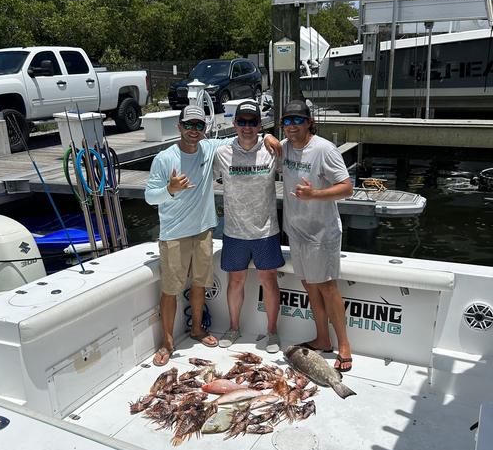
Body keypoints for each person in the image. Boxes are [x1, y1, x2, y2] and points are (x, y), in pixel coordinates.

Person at [145, 104, 280, 366]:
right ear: (180, 127)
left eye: (199, 126)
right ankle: (167, 342)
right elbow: (149, 196)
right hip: (173, 233)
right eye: (189, 125)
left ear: (204, 129)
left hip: (204, 230)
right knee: (170, 290)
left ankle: (197, 329)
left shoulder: (210, 149)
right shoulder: (164, 158)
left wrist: (267, 136)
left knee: (199, 285)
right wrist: (170, 189)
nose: (194, 131)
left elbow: (244, 134)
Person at [280, 99, 354, 372]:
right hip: (296, 232)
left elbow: (347, 188)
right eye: (287, 121)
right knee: (310, 287)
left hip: (322, 234)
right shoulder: (285, 147)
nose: (292, 126)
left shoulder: (324, 149)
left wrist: (315, 194)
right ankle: (322, 338)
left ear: (309, 122)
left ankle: (344, 345)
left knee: (327, 287)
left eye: (298, 120)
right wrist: (265, 137)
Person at [213, 100, 284, 353]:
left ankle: (273, 331)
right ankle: (233, 328)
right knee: (235, 281)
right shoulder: (221, 153)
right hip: (233, 231)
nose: (246, 127)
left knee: (269, 281)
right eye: (241, 122)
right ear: (234, 124)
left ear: (259, 125)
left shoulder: (272, 151)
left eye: (252, 122)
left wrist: (273, 137)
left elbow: (298, 152)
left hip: (266, 231)